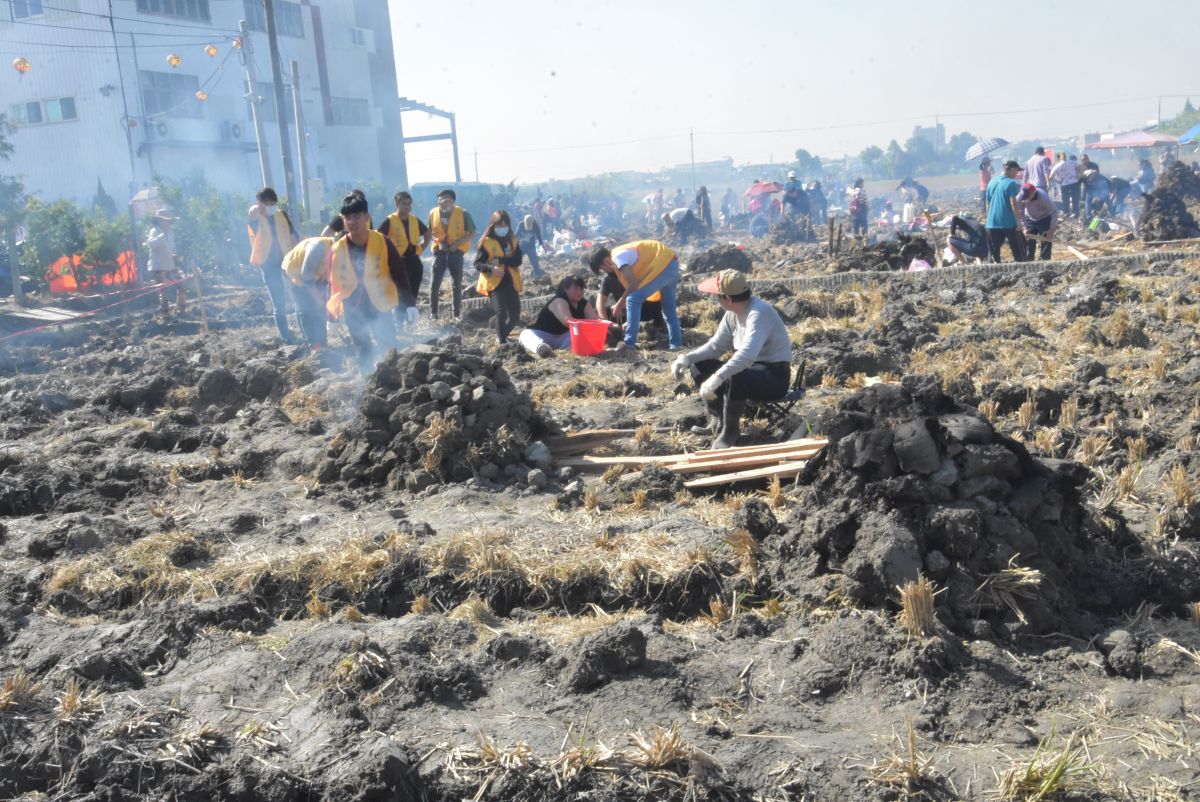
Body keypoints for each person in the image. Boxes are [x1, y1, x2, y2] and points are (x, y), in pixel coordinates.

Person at [670, 269, 792, 449]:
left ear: (727, 298)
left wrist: (717, 378)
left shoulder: (758, 313)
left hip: (773, 376)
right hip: (749, 371)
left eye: (717, 296)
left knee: (734, 375)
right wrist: (687, 358)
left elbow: (747, 355)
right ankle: (717, 419)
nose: (715, 299)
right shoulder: (732, 315)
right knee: (700, 365)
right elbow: (715, 347)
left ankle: (730, 431)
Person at [326, 193, 416, 371]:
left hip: (379, 302)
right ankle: (367, 383)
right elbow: (332, 284)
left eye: (357, 216)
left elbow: (399, 273)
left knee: (389, 345)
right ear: (343, 221)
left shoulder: (383, 242)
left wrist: (410, 305)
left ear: (367, 217)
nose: (352, 221)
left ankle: (393, 380)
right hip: (353, 307)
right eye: (348, 217)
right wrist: (332, 318)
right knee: (363, 349)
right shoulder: (337, 249)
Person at [588, 240, 682, 351]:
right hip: (671, 263)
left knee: (633, 299)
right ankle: (676, 345)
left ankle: (629, 344)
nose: (605, 271)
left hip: (663, 265)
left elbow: (633, 284)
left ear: (606, 261)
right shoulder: (618, 257)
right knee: (668, 309)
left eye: (602, 268)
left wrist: (619, 303)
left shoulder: (617, 257)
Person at [247, 187, 298, 343]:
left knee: (297, 297)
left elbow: (293, 235)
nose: (271, 206)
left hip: (286, 263)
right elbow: (252, 213)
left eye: (273, 203)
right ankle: (286, 337)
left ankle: (302, 329)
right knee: (279, 303)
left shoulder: (281, 215)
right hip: (269, 266)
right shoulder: (256, 218)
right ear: (260, 203)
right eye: (267, 203)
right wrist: (258, 208)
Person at [378, 191, 431, 330]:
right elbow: (378, 238)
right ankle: (399, 324)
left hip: (414, 260)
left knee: (413, 293)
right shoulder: (390, 220)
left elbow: (427, 233)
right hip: (398, 263)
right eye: (403, 204)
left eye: (409, 204)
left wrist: (421, 248)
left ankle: (410, 323)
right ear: (397, 204)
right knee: (401, 294)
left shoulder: (414, 219)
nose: (407, 207)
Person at [474, 210, 524, 345]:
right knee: (501, 312)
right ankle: (502, 343)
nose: (502, 228)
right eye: (499, 225)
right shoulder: (486, 242)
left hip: (510, 281)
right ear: (493, 225)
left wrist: (501, 260)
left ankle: (502, 336)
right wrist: (491, 269)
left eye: (505, 225)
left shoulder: (513, 241)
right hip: (494, 283)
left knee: (515, 316)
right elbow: (478, 264)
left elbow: (518, 260)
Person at [519, 275, 601, 357]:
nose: (579, 292)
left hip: (563, 338)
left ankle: (567, 350)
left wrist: (608, 328)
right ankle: (541, 348)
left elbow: (596, 322)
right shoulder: (559, 300)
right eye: (576, 289)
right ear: (565, 289)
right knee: (525, 334)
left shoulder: (584, 304)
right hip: (542, 334)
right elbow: (568, 321)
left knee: (580, 334)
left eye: (581, 289)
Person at [427, 188, 476, 320]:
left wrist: (457, 244)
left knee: (456, 284)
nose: (444, 201)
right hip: (439, 251)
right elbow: (429, 232)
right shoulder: (433, 213)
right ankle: (434, 313)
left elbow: (472, 233)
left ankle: (456, 314)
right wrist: (439, 242)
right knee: (434, 283)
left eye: (447, 199)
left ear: (452, 201)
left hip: (456, 252)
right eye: (441, 199)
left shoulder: (463, 213)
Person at [282, 234, 336, 350]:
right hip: (294, 271)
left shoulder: (339, 251)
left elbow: (330, 274)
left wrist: (323, 295)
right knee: (305, 308)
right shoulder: (318, 248)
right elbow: (305, 276)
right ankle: (312, 343)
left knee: (321, 307)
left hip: (315, 274)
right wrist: (316, 296)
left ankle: (322, 342)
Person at [145, 209, 186, 315]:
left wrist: (175, 253)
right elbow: (151, 245)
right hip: (159, 266)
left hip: (170, 264)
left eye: (170, 221)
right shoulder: (154, 231)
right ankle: (165, 313)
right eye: (167, 221)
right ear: (160, 221)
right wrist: (161, 236)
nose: (170, 223)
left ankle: (181, 309)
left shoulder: (171, 233)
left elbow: (172, 247)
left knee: (180, 286)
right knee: (163, 291)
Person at [985, 160, 1026, 263]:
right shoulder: (1011, 183)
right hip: (1009, 222)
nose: (1017, 174)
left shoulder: (991, 182)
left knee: (994, 254)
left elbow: (987, 204)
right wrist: (1019, 223)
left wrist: (989, 220)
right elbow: (1013, 203)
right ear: (1012, 169)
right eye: (1017, 171)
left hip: (992, 223)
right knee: (1020, 250)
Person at [1016, 183, 1058, 261]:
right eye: (1024, 197)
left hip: (1044, 218)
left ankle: (1044, 261)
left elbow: (1054, 212)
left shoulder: (1043, 197)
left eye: (1027, 196)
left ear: (1033, 193)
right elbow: (1020, 212)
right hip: (1030, 219)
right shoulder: (1020, 197)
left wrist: (1051, 229)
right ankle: (1028, 260)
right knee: (1029, 240)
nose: (1025, 199)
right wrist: (1024, 227)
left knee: (1046, 241)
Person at [1050, 154, 1081, 218]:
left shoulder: (1057, 166)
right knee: (1075, 199)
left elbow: (1050, 177)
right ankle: (1076, 213)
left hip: (1064, 184)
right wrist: (1078, 176)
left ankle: (1066, 213)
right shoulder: (1072, 162)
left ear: (1059, 158)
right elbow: (1082, 167)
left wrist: (1058, 181)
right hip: (1074, 182)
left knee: (1065, 199)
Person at [516, 214, 545, 278]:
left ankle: (538, 275)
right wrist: (522, 238)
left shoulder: (535, 225)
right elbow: (516, 235)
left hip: (531, 247)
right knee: (516, 260)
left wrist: (542, 245)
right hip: (522, 247)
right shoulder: (521, 225)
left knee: (535, 262)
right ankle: (514, 274)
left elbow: (539, 236)